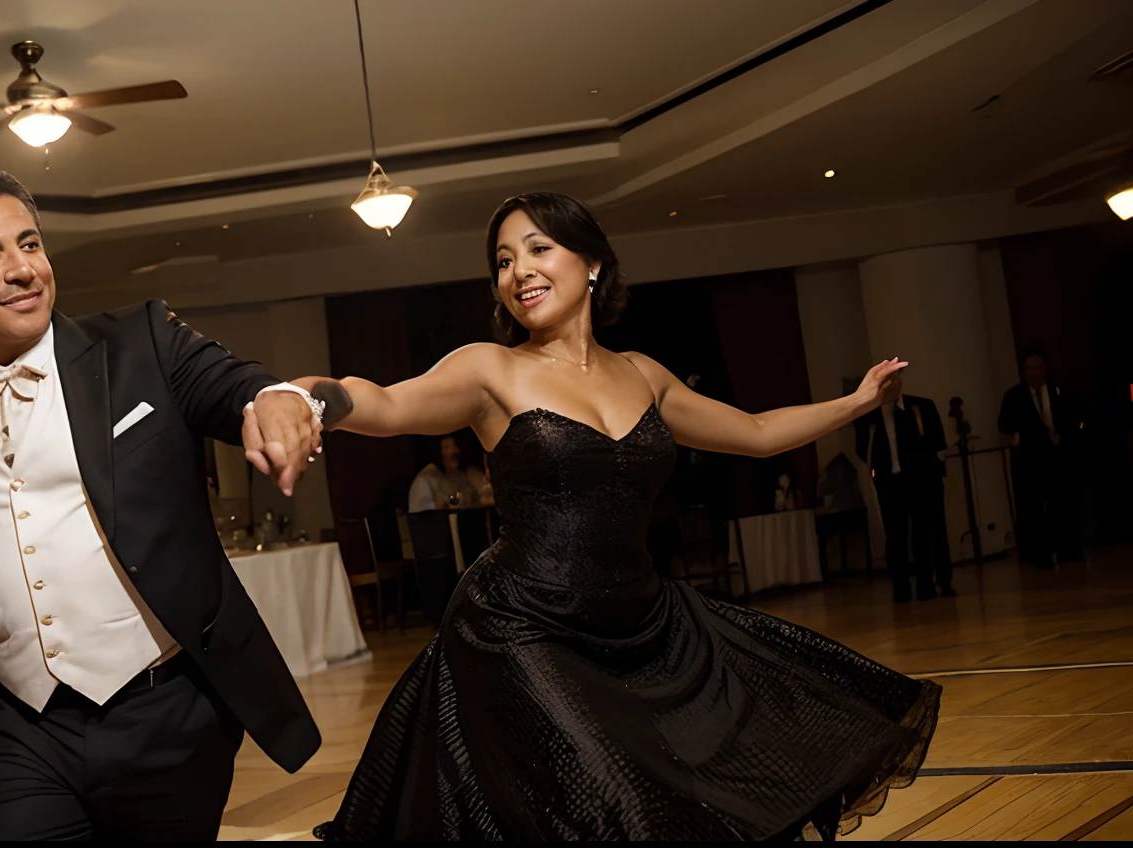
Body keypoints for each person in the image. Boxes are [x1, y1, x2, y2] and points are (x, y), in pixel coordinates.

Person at [302, 193, 939, 840]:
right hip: (523, 627)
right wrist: (304, 399)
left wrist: (856, 403)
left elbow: (756, 430)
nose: (517, 270)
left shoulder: (644, 376)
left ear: (594, 264)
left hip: (642, 626)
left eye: (538, 248)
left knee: (734, 770)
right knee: (614, 805)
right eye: (502, 260)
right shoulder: (489, 369)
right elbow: (377, 401)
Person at [0, 169, 326, 840]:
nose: (23, 269)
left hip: (164, 715)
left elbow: (239, 386)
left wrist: (278, 398)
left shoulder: (142, 344)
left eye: (30, 244)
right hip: (12, 728)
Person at [856, 392, 955, 601]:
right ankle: (900, 587)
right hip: (888, 483)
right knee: (895, 535)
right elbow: (863, 448)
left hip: (922, 480)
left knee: (925, 532)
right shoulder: (869, 414)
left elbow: (937, 440)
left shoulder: (920, 406)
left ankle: (927, 584)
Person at [997, 346, 1082, 567]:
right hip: (1029, 459)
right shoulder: (1014, 396)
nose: (1034, 372)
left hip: (1058, 457)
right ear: (1023, 371)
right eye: (1029, 368)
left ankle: (1067, 550)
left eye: (1038, 367)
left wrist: (1066, 435)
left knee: (1062, 504)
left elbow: (1077, 417)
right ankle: (1037, 555)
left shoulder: (1059, 391)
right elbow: (1004, 425)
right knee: (1031, 508)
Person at [408, 432, 492, 513]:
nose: (452, 451)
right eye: (445, 447)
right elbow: (423, 521)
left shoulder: (472, 473)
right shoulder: (424, 481)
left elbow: (489, 500)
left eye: (455, 445)